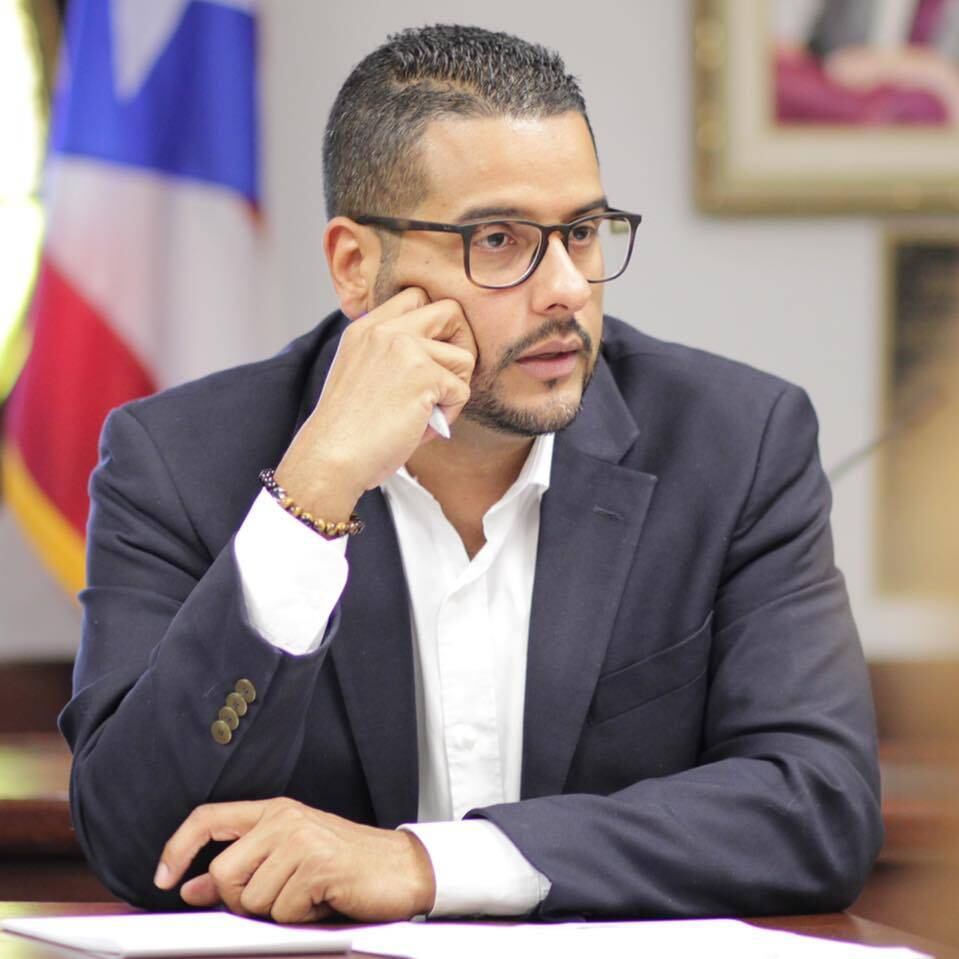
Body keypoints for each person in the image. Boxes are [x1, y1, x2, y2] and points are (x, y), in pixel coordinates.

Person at [62, 24, 883, 923]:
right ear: (355, 266)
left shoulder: (735, 443)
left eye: (581, 232)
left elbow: (817, 807)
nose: (566, 287)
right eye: (498, 240)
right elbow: (138, 840)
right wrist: (310, 498)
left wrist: (427, 863)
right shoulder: (176, 459)